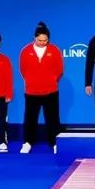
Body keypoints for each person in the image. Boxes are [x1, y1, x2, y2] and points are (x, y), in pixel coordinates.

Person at [18, 21, 63, 154]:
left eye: (45, 40)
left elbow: (59, 69)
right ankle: (27, 142)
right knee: (30, 118)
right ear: (34, 38)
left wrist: (51, 80)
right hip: (32, 92)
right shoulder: (26, 51)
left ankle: (54, 143)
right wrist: (32, 81)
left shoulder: (54, 50)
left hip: (51, 91)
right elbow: (23, 69)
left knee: (53, 119)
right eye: (39, 40)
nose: (42, 43)